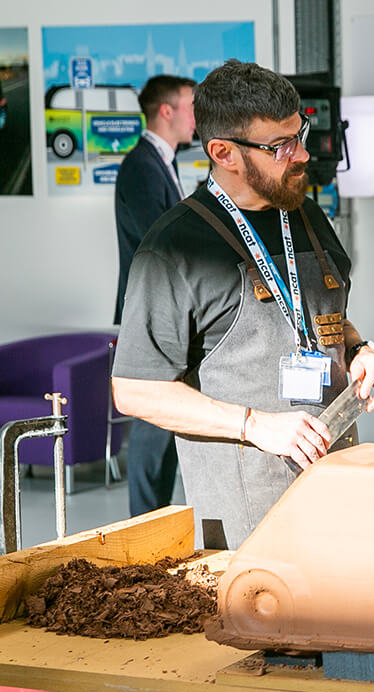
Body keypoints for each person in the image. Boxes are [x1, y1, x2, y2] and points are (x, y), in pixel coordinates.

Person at [112, 59, 374, 692]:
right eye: (280, 147)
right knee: (237, 682)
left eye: (300, 138)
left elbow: (334, 326)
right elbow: (134, 390)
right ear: (224, 154)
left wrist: (367, 354)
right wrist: (254, 424)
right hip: (240, 511)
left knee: (323, 673)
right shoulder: (176, 249)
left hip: (329, 494)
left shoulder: (305, 215)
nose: (301, 157)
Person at [113, 74, 195, 517]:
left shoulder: (162, 161)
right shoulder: (142, 165)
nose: (196, 117)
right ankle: (144, 523)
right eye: (191, 105)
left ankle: (157, 520)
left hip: (165, 311)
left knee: (164, 424)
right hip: (150, 310)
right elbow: (158, 243)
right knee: (151, 422)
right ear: (167, 111)